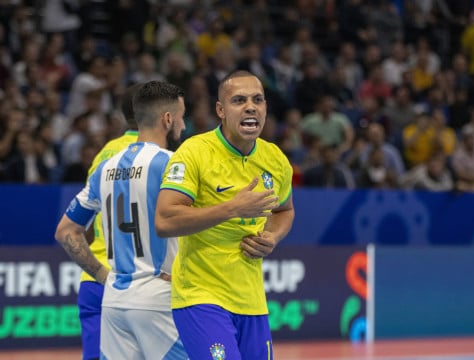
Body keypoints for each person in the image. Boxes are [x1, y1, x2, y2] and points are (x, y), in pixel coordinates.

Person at [155, 70, 295, 359]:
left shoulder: (275, 160)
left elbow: (284, 209)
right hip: (201, 296)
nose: (250, 107)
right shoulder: (194, 152)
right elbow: (165, 220)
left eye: (258, 100)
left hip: (252, 301)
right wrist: (232, 208)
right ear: (221, 110)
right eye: (239, 100)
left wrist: (272, 236)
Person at [55, 81, 188, 359]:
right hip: (158, 297)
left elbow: (66, 231)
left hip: (115, 299)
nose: (183, 125)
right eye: (181, 117)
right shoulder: (172, 164)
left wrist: (103, 275)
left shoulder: (105, 165)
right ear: (167, 119)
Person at [75, 82, 142, 360]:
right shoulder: (161, 156)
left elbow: (84, 223)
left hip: (94, 277)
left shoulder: (104, 153)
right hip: (137, 281)